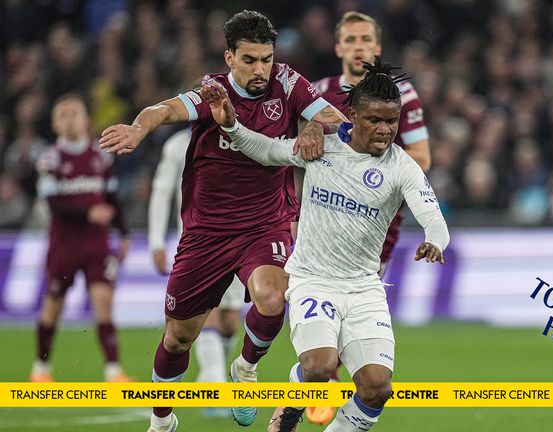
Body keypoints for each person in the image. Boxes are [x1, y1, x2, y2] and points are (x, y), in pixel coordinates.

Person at [98, 10, 346, 432]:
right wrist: (139, 129)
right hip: (206, 234)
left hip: (266, 223)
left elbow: (337, 121)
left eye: (266, 58)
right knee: (178, 337)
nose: (260, 69)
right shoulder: (211, 95)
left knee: (273, 298)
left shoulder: (288, 83)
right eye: (250, 60)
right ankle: (161, 420)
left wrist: (315, 128)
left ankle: (246, 369)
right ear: (229, 58)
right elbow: (161, 110)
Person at [201, 56, 449, 432]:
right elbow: (267, 150)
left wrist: (435, 239)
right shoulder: (322, 146)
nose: (385, 130)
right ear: (352, 113)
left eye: (392, 121)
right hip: (313, 280)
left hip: (364, 288)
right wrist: (233, 126)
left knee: (377, 388)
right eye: (375, 120)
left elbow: (433, 216)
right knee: (319, 367)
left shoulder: (402, 166)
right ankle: (289, 408)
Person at [309, 11, 432, 424]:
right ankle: (312, 383)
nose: (359, 45)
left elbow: (423, 157)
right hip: (322, 220)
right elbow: (291, 153)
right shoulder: (318, 92)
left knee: (355, 323)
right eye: (351, 39)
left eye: (366, 38)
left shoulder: (403, 94)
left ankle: (322, 386)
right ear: (338, 47)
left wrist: (363, 164)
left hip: (375, 227)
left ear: (377, 48)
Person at [31, 93, 131, 383]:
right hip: (64, 244)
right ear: (55, 124)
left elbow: (112, 198)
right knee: (54, 303)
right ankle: (41, 369)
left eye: (74, 113)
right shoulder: (50, 159)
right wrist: (89, 212)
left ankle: (113, 372)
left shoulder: (100, 156)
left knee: (103, 301)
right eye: (63, 114)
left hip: (96, 244)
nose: (70, 118)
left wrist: (123, 233)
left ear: (86, 120)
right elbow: (53, 204)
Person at [147, 127, 242, 418]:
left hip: (241, 239)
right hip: (196, 242)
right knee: (206, 310)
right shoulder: (179, 144)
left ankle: (213, 375)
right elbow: (162, 192)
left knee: (229, 322)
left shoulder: (239, 136)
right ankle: (214, 383)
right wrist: (155, 241)